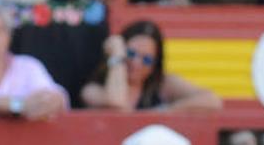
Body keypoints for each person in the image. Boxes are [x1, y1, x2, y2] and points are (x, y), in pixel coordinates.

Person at [81, 20, 221, 111]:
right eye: (130, 53)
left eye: (147, 60)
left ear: (155, 65)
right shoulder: (93, 89)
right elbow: (116, 102)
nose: (136, 63)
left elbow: (212, 101)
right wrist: (117, 56)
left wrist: (165, 112)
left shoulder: (163, 84)